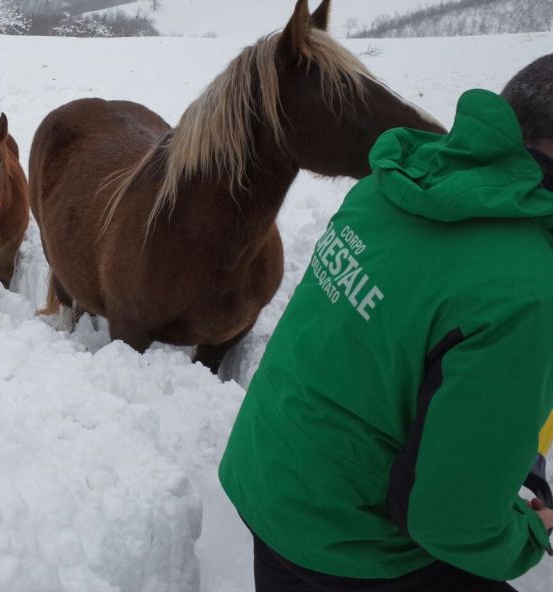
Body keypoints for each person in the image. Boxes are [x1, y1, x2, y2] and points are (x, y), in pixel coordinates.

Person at [219, 54, 553, 592]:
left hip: (267, 478)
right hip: (354, 542)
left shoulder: (388, 187)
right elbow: (452, 523)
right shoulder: (527, 290)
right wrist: (528, 535)